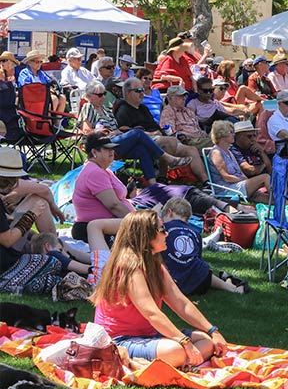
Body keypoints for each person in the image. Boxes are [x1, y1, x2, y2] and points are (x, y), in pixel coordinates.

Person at [91, 209, 228, 367]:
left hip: (149, 335)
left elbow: (180, 303)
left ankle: (179, 363)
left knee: (206, 340)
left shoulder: (154, 263)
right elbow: (151, 312)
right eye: (162, 230)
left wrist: (213, 331)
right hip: (119, 340)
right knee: (176, 350)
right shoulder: (128, 265)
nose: (167, 234)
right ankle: (177, 362)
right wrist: (184, 342)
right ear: (146, 235)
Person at [78, 82, 190, 185]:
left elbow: (117, 128)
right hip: (100, 143)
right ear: (89, 96)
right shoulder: (88, 107)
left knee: (142, 149)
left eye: (104, 94)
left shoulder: (107, 109)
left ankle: (153, 185)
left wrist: (116, 131)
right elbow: (87, 131)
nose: (103, 97)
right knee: (137, 133)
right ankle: (168, 158)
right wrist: (101, 132)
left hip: (115, 140)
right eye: (99, 95)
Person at [115, 78, 208, 183]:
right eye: (138, 91)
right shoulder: (123, 109)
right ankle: (162, 176)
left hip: (159, 139)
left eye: (142, 90)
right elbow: (126, 132)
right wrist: (152, 133)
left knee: (191, 150)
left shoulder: (143, 108)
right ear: (127, 93)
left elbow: (157, 127)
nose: (142, 93)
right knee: (169, 141)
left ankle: (206, 183)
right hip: (144, 141)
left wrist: (159, 132)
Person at [160, 197, 246, 295]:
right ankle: (230, 287)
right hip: (201, 281)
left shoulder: (162, 230)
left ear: (169, 212)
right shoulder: (195, 233)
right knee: (197, 268)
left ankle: (229, 282)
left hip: (172, 280)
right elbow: (196, 259)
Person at [71, 134, 136, 242]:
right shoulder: (95, 172)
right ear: (94, 152)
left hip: (106, 224)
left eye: (112, 149)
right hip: (91, 228)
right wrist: (138, 221)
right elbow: (113, 205)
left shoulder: (103, 170)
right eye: (106, 149)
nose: (112, 152)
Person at [208, 120, 270, 203]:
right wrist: (244, 180)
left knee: (264, 197)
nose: (234, 135)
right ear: (222, 135)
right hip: (227, 189)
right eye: (231, 132)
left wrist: (248, 182)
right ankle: (279, 203)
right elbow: (227, 178)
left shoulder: (229, 152)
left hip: (238, 185)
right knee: (265, 177)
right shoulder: (216, 152)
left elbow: (241, 173)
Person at [159, 85, 213, 150]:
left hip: (201, 138)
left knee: (223, 134)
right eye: (180, 96)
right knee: (218, 142)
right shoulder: (168, 112)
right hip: (188, 142)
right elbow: (171, 133)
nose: (184, 98)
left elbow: (198, 127)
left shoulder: (188, 111)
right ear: (170, 98)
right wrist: (186, 134)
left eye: (184, 96)